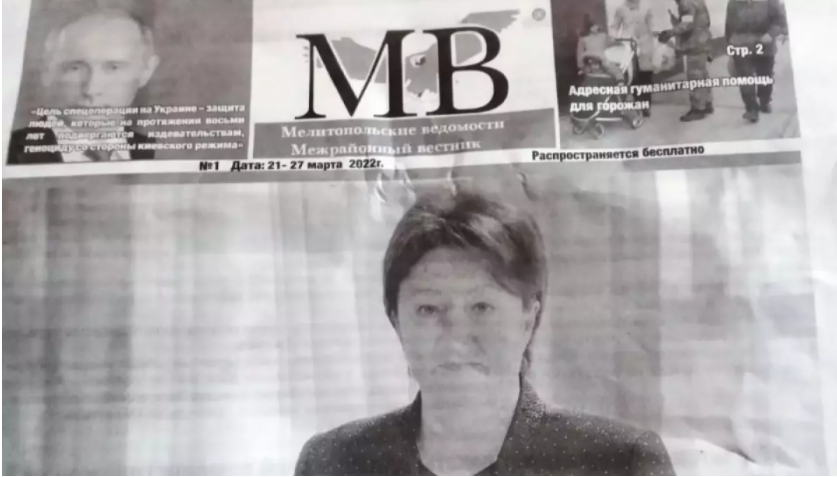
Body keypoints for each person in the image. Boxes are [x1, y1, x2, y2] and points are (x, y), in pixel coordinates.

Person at [294, 191, 676, 476]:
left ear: (529, 317)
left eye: (481, 307)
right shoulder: (332, 462)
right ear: (396, 320)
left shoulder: (619, 461)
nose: (455, 334)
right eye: (428, 309)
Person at [6, 9, 159, 164]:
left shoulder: (158, 153)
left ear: (146, 71)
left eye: (114, 68)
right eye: (75, 68)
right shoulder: (8, 152)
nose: (91, 89)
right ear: (47, 71)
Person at [725, 0, 788, 123]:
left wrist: (770, 34)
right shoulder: (733, 2)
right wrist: (729, 48)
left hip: (764, 44)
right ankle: (751, 108)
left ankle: (765, 100)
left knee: (765, 75)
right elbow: (729, 26)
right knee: (744, 77)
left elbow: (780, 20)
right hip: (741, 43)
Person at [659, 0, 714, 122]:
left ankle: (698, 109)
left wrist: (669, 33)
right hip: (703, 42)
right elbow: (706, 21)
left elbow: (687, 24)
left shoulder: (686, 3)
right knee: (703, 74)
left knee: (695, 76)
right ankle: (707, 103)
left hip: (694, 45)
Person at [612, 0, 656, 117]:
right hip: (628, 45)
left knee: (646, 76)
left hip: (645, 44)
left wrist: (653, 37)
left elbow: (652, 27)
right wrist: (616, 40)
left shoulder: (646, 7)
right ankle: (637, 104)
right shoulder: (621, 9)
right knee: (632, 76)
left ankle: (646, 105)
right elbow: (615, 27)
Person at [576, 17, 624, 82]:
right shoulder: (584, 39)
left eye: (596, 25)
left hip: (598, 62)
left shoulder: (603, 36)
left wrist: (619, 43)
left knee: (613, 68)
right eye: (593, 26)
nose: (595, 27)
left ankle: (619, 80)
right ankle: (620, 80)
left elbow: (612, 42)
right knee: (615, 70)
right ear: (589, 28)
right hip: (593, 61)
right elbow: (579, 55)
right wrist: (582, 66)